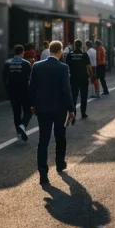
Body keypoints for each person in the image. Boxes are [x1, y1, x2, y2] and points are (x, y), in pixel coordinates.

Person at [30, 41, 75, 181]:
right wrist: (71, 109)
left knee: (43, 139)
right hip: (59, 108)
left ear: (49, 50)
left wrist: (32, 105)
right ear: (60, 51)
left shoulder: (37, 66)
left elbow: (32, 87)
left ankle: (43, 171)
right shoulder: (63, 67)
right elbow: (66, 90)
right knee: (60, 136)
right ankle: (60, 164)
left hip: (42, 108)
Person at [3, 44, 33, 141]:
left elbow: (4, 78)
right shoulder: (26, 63)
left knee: (16, 113)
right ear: (22, 52)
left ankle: (19, 133)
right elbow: (31, 78)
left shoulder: (7, 63)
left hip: (12, 91)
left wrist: (7, 90)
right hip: (24, 90)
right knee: (28, 111)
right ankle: (23, 126)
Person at [66, 39, 92, 119]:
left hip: (73, 78)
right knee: (83, 96)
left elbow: (66, 67)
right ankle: (83, 112)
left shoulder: (70, 55)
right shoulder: (84, 54)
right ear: (81, 45)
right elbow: (89, 66)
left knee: (73, 96)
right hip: (83, 78)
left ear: (74, 45)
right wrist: (92, 75)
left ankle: (73, 113)